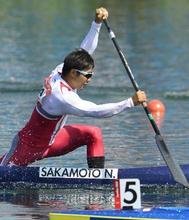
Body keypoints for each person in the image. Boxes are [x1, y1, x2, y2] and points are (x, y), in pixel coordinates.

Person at [0, 7, 147, 168]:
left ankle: (97, 180)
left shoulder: (61, 69)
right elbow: (96, 111)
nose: (89, 80)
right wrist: (130, 102)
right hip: (27, 147)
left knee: (93, 134)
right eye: (87, 75)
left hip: (53, 141)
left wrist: (96, 24)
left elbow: (85, 50)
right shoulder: (62, 97)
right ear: (73, 73)